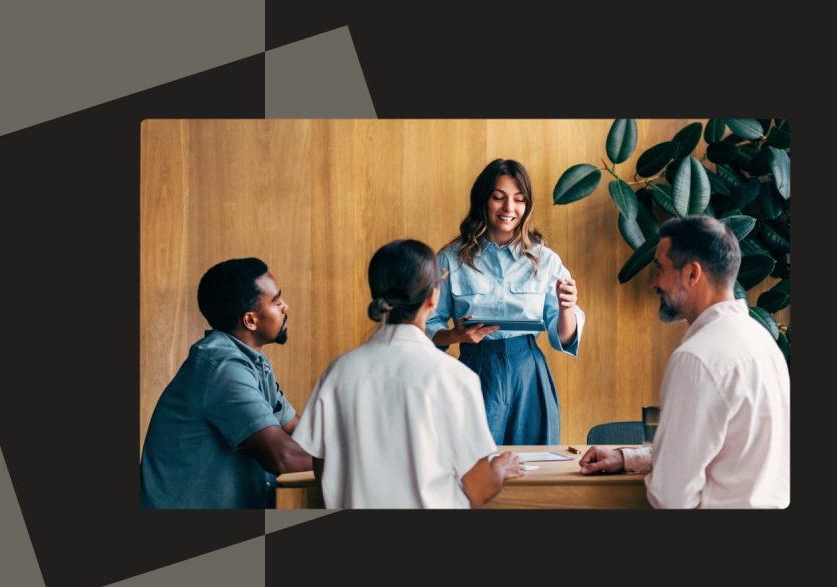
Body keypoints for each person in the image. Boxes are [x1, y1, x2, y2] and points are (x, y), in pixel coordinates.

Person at [291, 239, 524, 508]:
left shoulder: (337, 373)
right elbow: (478, 489)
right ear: (433, 296)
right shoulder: (454, 377)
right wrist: (499, 470)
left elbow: (323, 468)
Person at [579, 216, 790, 508]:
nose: (653, 281)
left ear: (692, 274)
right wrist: (628, 458)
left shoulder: (697, 358)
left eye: (659, 268)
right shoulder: (765, 343)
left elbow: (671, 495)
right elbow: (727, 454)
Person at [426, 158, 585, 446]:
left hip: (529, 369)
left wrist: (567, 308)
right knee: (474, 464)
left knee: (535, 466)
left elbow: (563, 337)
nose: (509, 209)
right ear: (482, 201)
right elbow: (426, 321)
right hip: (476, 366)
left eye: (519, 199)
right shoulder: (450, 258)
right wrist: (454, 335)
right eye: (498, 198)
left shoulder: (545, 260)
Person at [140, 258, 313, 509]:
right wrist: (360, 462)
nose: (285, 307)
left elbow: (300, 430)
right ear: (250, 320)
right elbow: (282, 456)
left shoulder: (253, 362)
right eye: (277, 301)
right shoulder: (223, 367)